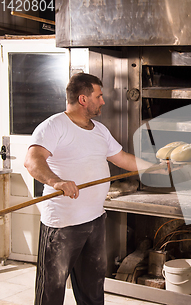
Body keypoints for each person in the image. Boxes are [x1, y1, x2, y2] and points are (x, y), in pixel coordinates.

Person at [24, 72, 153, 305]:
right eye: (99, 96)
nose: (103, 101)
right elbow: (33, 161)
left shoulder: (100, 131)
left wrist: (153, 168)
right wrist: (57, 182)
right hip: (62, 224)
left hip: (94, 220)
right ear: (83, 99)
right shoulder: (54, 126)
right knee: (51, 292)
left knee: (92, 290)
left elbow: (122, 158)